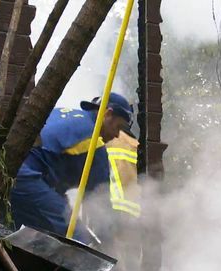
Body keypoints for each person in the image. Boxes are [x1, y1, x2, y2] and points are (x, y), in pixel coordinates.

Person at [10, 92, 134, 244]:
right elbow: (101, 207)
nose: (117, 135)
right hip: (25, 177)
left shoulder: (62, 113)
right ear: (108, 114)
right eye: (119, 127)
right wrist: (109, 252)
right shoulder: (94, 145)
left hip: (10, 168)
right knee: (77, 237)